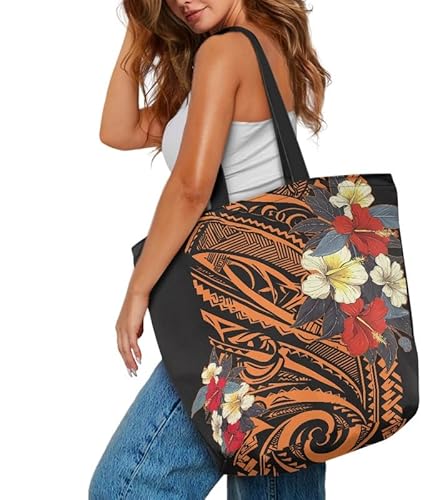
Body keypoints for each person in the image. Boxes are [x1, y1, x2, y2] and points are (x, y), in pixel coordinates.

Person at [89, 1, 331, 498]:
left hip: (240, 325)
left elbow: (190, 189)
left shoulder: (225, 54)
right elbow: (119, 130)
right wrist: (139, 27)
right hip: (294, 325)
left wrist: (137, 291)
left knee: (124, 488)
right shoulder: (267, 46)